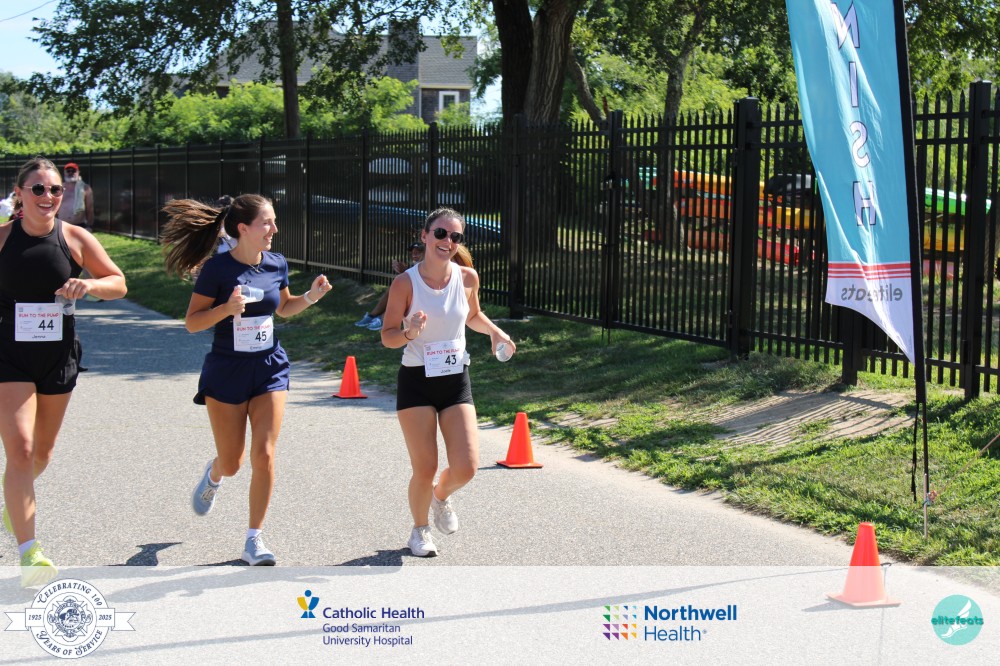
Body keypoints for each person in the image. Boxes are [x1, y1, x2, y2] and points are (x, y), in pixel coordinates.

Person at [160, 193, 332, 566]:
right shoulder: (217, 270)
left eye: (273, 222)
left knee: (265, 452)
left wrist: (311, 297)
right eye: (266, 222)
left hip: (270, 367)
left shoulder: (276, 263)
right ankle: (214, 474)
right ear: (243, 228)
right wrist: (225, 309)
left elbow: (283, 307)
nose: (274, 229)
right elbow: (192, 323)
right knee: (233, 462)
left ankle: (254, 539)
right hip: (227, 370)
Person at [0, 157, 127, 587]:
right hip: (8, 355)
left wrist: (88, 284)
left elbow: (118, 282)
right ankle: (30, 554)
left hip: (57, 355)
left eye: (54, 189)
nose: (48, 196)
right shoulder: (3, 238)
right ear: (19, 194)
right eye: (38, 188)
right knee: (21, 451)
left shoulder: (74, 237)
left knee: (42, 454)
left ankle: (13, 500)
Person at [381, 207, 515, 557]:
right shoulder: (405, 283)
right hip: (417, 380)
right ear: (425, 236)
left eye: (455, 236)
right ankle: (419, 531)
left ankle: (440, 497)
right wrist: (409, 332)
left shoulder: (467, 277)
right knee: (424, 466)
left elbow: (473, 315)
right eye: (440, 233)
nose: (448, 241)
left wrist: (495, 332)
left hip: (455, 380)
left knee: (467, 467)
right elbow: (388, 336)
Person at [355, 242, 425, 331]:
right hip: (414, 292)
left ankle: (382, 319)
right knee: (393, 288)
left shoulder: (426, 264)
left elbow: (418, 281)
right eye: (413, 252)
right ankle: (372, 316)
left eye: (418, 252)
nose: (414, 254)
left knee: (399, 292)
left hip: (420, 295)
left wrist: (404, 272)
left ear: (425, 252)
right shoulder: (417, 264)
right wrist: (403, 271)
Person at [57, 163, 94, 231]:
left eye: (73, 171)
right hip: (61, 225)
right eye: (68, 171)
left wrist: (89, 225)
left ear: (78, 172)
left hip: (79, 225)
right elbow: (54, 207)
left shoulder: (85, 188)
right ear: (64, 173)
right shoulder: (59, 188)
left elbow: (89, 208)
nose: (71, 173)